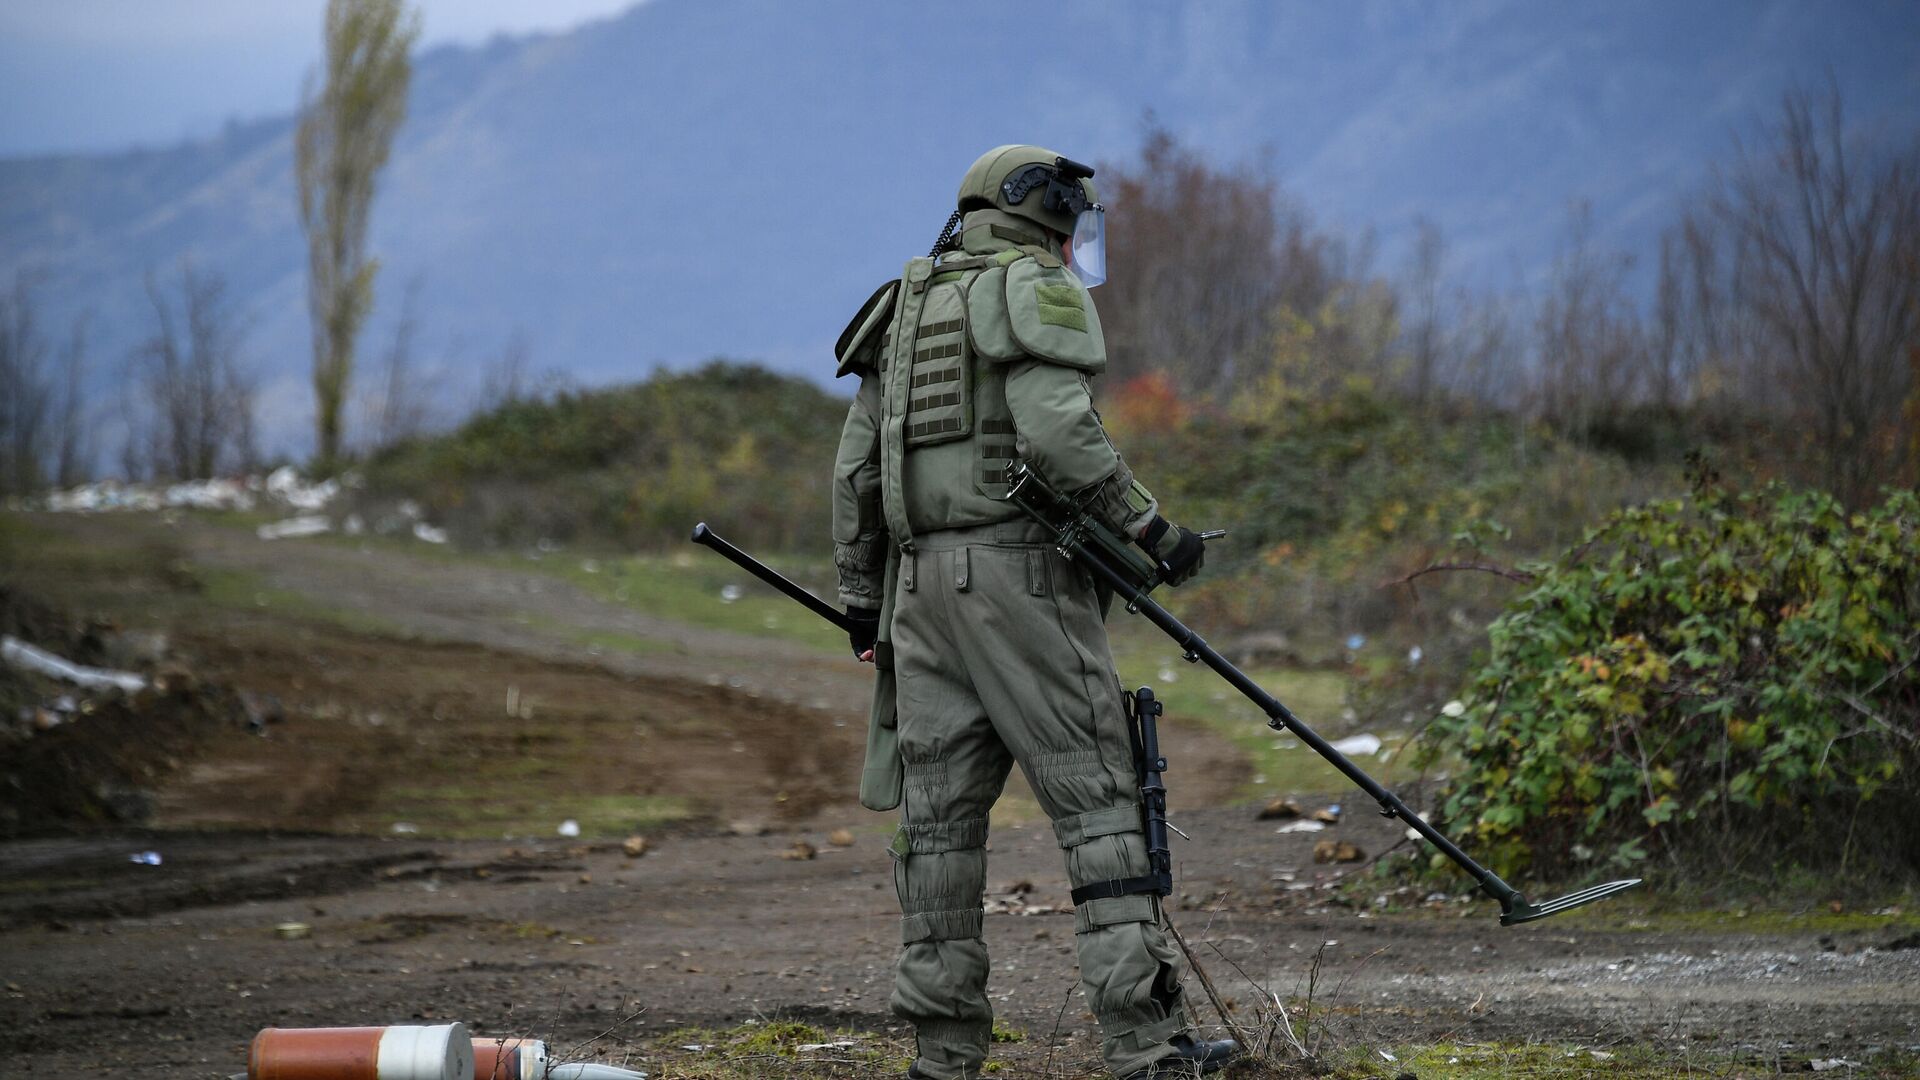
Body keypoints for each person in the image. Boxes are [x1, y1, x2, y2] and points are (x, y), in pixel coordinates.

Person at [829, 145, 1238, 1079]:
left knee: (937, 832)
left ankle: (942, 1055)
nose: (1073, 243)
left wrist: (864, 605)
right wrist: (1152, 530)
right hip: (1017, 580)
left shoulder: (904, 305)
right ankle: (1146, 1046)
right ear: (1044, 212)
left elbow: (855, 473)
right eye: (1071, 223)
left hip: (917, 595)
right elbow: (1058, 430)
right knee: (1098, 803)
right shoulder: (1030, 287)